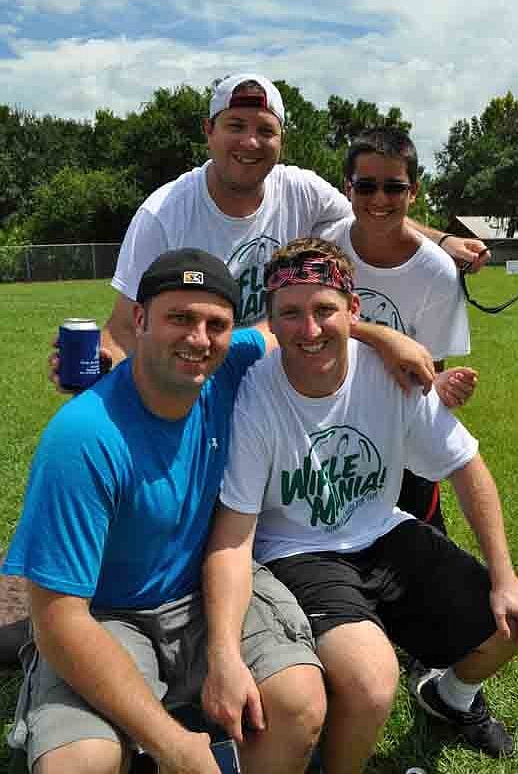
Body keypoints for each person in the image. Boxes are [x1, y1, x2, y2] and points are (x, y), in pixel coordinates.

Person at [202, 238, 518, 774]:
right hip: (299, 549)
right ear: (271, 320)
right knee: (372, 680)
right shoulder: (256, 395)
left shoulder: (389, 372)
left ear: (353, 312)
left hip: (383, 530)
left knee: (515, 620)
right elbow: (234, 534)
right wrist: (224, 651)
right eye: (290, 314)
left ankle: (449, 696)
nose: (308, 330)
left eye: (324, 310)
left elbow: (466, 465)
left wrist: (505, 575)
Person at [1, 249, 327, 774]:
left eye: (215, 323)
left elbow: (293, 327)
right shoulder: (84, 437)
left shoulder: (226, 366)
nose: (199, 339)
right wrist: (174, 746)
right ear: (139, 320)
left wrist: (386, 338)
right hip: (104, 616)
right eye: (179, 317)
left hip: (203, 591)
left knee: (298, 702)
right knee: (78, 763)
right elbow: (58, 618)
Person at [51, 72, 490, 375]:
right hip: (203, 381)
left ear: (281, 138)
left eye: (265, 129)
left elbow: (373, 209)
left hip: (286, 387)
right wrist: (102, 358)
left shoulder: (301, 189)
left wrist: (444, 239)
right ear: (209, 130)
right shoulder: (164, 213)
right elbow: (126, 324)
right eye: (235, 126)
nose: (250, 142)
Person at [320, 126, 478, 534]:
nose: (378, 199)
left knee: (419, 539)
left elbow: (431, 370)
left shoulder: (437, 272)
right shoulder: (325, 250)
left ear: (414, 191)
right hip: (329, 417)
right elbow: (310, 332)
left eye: (393, 187)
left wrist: (442, 383)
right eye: (366, 186)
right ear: (347, 188)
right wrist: (384, 338)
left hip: (399, 425)